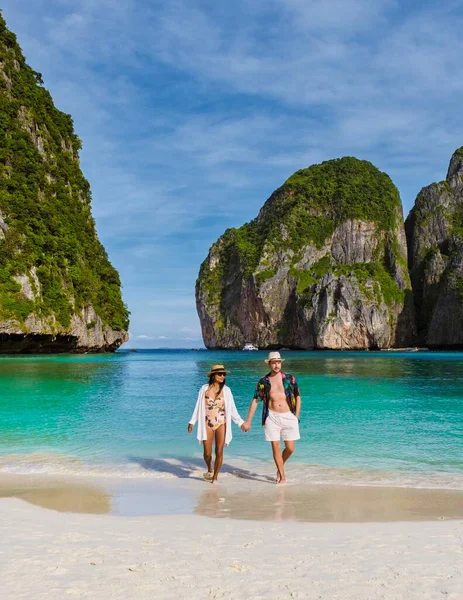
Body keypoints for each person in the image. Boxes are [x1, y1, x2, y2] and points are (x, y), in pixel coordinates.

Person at [241, 351, 301, 484]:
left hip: (288, 416)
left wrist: (296, 416)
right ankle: (282, 477)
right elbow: (255, 400)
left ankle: (280, 466)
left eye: (278, 362)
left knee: (290, 448)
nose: (276, 365)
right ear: (269, 364)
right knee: (276, 446)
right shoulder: (264, 382)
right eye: (274, 363)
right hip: (272, 417)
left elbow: (298, 396)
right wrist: (248, 421)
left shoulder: (290, 379)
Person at [188, 364, 244, 483]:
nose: (222, 376)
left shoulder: (227, 391)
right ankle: (209, 468)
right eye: (220, 374)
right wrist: (192, 421)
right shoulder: (204, 389)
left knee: (219, 451)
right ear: (213, 376)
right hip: (207, 423)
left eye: (224, 374)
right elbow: (198, 406)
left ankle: (215, 477)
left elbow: (232, 409)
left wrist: (241, 423)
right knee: (207, 453)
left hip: (221, 423)